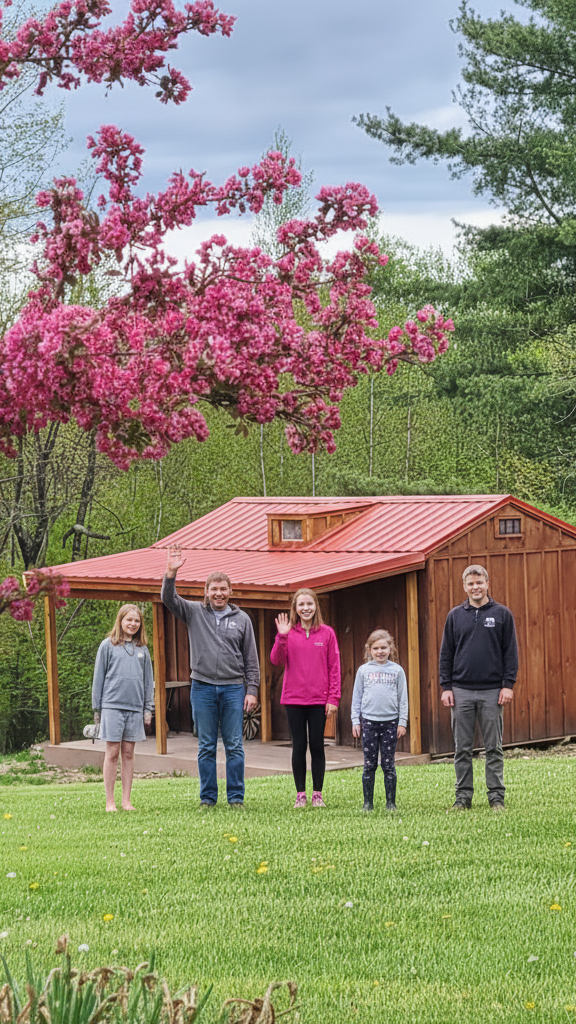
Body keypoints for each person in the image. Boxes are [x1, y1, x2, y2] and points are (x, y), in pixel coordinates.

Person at [161, 543, 259, 809]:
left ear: (230, 592)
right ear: (206, 592)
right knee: (206, 745)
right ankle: (208, 798)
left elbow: (251, 658)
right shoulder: (194, 613)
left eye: (223, 589)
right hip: (202, 688)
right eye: (213, 589)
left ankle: (236, 797)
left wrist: (252, 690)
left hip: (233, 689)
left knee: (234, 745)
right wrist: (171, 573)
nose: (218, 593)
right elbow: (168, 600)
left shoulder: (243, 620)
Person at [440, 564, 518, 811]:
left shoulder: (502, 614)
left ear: (487, 583)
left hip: (492, 691)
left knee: (494, 748)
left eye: (479, 582)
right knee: (461, 749)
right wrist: (446, 686)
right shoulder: (454, 616)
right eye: (470, 584)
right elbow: (446, 655)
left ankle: (496, 797)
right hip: (461, 690)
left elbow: (510, 653)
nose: (475, 587)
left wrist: (508, 685)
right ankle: (463, 797)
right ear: (464, 587)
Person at [270, 588, 340, 808]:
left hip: (319, 700)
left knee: (317, 746)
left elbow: (334, 667)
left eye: (309, 604)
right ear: (295, 609)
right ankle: (300, 794)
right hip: (294, 699)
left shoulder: (327, 633)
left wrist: (333, 698)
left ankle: (317, 794)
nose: (306, 608)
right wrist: (281, 636)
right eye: (301, 605)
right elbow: (276, 660)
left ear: (316, 606)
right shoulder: (288, 633)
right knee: (298, 746)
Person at [92, 604, 154, 812]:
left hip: (135, 709)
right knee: (112, 752)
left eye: (137, 621)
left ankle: (126, 801)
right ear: (120, 621)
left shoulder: (142, 650)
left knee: (128, 752)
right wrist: (97, 708)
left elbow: (148, 682)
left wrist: (148, 709)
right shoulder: (107, 646)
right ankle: (110, 802)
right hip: (112, 706)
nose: (133, 624)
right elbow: (98, 679)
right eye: (129, 620)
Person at [351, 629, 408, 812]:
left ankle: (391, 803)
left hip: (390, 723)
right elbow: (357, 697)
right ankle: (368, 803)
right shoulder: (363, 671)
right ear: (369, 649)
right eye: (376, 648)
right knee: (369, 764)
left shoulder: (397, 671)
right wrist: (355, 720)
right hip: (368, 722)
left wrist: (402, 721)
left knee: (388, 764)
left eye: (384, 647)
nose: (380, 651)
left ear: (390, 648)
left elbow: (403, 698)